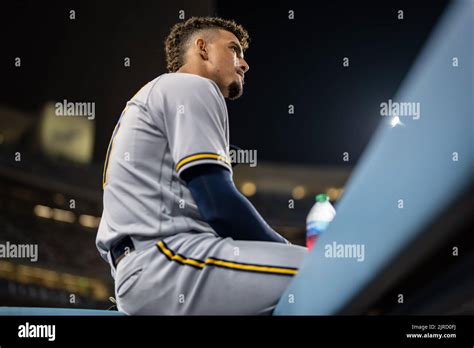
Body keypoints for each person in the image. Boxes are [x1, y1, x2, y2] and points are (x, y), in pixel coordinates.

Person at [96, 16, 307, 315]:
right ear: (202, 49)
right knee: (326, 270)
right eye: (234, 49)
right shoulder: (191, 86)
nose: (244, 63)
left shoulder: (155, 93)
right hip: (167, 264)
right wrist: (283, 247)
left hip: (146, 270)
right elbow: (218, 203)